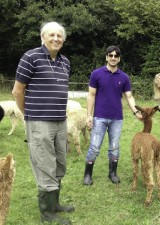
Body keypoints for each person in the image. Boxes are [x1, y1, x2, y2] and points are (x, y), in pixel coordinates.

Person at [12, 22, 74, 224]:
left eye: (59, 35)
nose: (56, 38)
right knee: (45, 165)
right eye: (52, 35)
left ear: (63, 40)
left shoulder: (65, 62)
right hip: (39, 122)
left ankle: (55, 204)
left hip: (60, 121)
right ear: (43, 37)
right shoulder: (31, 57)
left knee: (59, 163)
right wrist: (28, 115)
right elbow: (17, 91)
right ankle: (47, 214)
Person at [83, 45, 142, 185]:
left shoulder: (124, 77)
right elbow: (91, 95)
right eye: (111, 55)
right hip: (99, 117)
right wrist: (89, 115)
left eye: (116, 56)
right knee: (94, 146)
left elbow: (129, 97)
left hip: (117, 118)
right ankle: (87, 175)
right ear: (106, 57)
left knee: (114, 147)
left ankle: (112, 173)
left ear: (119, 59)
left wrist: (136, 112)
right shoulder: (96, 74)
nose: (113, 58)